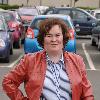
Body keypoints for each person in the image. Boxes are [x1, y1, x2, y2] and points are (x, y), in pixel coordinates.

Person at [2, 18, 94, 100]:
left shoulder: (77, 61)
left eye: (57, 35)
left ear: (63, 37)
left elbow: (86, 93)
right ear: (43, 39)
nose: (54, 39)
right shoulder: (29, 61)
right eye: (49, 36)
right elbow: (8, 82)